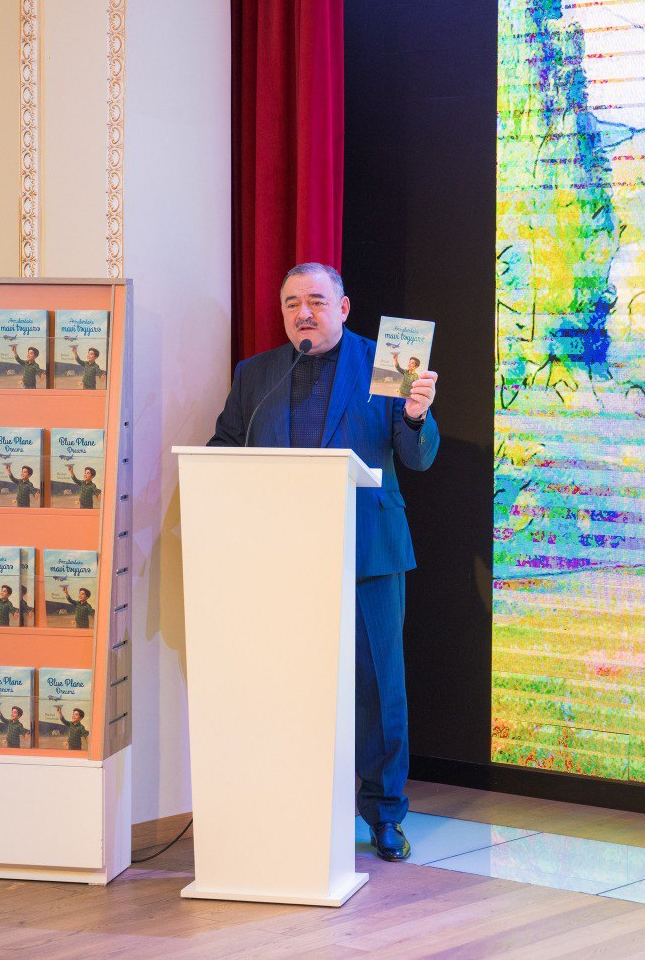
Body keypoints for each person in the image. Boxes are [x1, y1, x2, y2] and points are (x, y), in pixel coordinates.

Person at [208, 262, 439, 862]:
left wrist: (416, 415)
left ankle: (384, 815)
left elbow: (416, 457)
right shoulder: (257, 374)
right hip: (282, 556)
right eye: (291, 303)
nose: (303, 313)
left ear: (343, 307)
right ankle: (292, 805)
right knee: (285, 685)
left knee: (378, 689)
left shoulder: (387, 364)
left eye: (315, 300)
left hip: (368, 550)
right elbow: (224, 448)